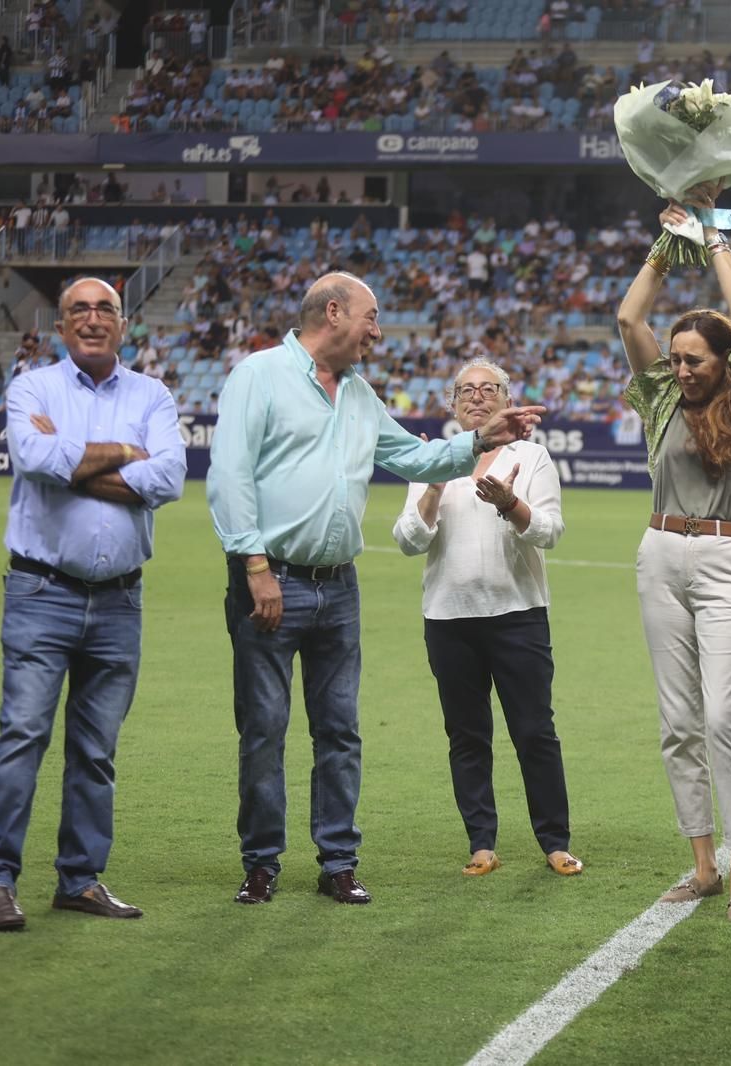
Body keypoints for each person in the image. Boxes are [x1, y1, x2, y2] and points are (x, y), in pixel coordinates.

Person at [206, 272, 544, 908]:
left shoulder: (358, 393)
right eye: (371, 317)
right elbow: (229, 477)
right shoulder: (259, 376)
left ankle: (338, 862)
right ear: (333, 313)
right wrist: (255, 567)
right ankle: (261, 863)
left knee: (340, 731)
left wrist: (481, 441)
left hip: (339, 589)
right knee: (265, 728)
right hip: (271, 580)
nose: (378, 331)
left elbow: (410, 459)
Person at [0, 277, 186, 931]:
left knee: (96, 748)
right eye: (79, 310)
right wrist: (125, 453)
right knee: (23, 736)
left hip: (120, 599)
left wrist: (79, 463)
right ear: (60, 326)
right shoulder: (34, 387)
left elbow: (170, 475)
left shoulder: (153, 393)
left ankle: (79, 879)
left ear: (123, 325)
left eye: (105, 310)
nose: (93, 319)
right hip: (42, 592)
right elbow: (33, 456)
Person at [617, 186, 731, 919]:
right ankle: (701, 865)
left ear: (724, 360)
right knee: (678, 722)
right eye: (679, 358)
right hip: (659, 555)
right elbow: (631, 316)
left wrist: (712, 234)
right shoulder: (661, 396)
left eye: (695, 359)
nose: (682, 368)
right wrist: (667, 243)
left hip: (729, 563)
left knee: (724, 720)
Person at [391, 359, 580, 879]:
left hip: (519, 615)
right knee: (467, 736)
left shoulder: (532, 456)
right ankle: (481, 843)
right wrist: (434, 483)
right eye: (466, 390)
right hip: (449, 618)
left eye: (488, 388)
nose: (477, 397)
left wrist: (509, 503)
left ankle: (555, 841)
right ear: (452, 403)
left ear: (506, 399)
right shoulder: (433, 458)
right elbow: (408, 540)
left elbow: (549, 531)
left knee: (535, 732)